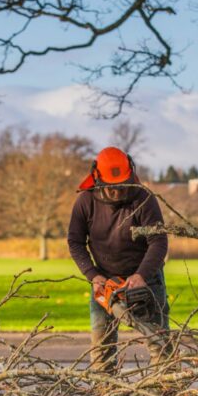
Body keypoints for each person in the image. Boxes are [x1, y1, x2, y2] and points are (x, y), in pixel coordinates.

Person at [67, 146, 170, 373]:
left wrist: (141, 275)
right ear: (98, 178)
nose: (117, 192)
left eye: (122, 186)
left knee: (159, 343)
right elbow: (75, 241)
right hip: (105, 281)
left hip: (146, 277)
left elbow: (158, 242)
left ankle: (167, 393)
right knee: (102, 348)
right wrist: (93, 275)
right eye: (112, 188)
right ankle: (104, 394)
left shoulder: (144, 199)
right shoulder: (86, 202)